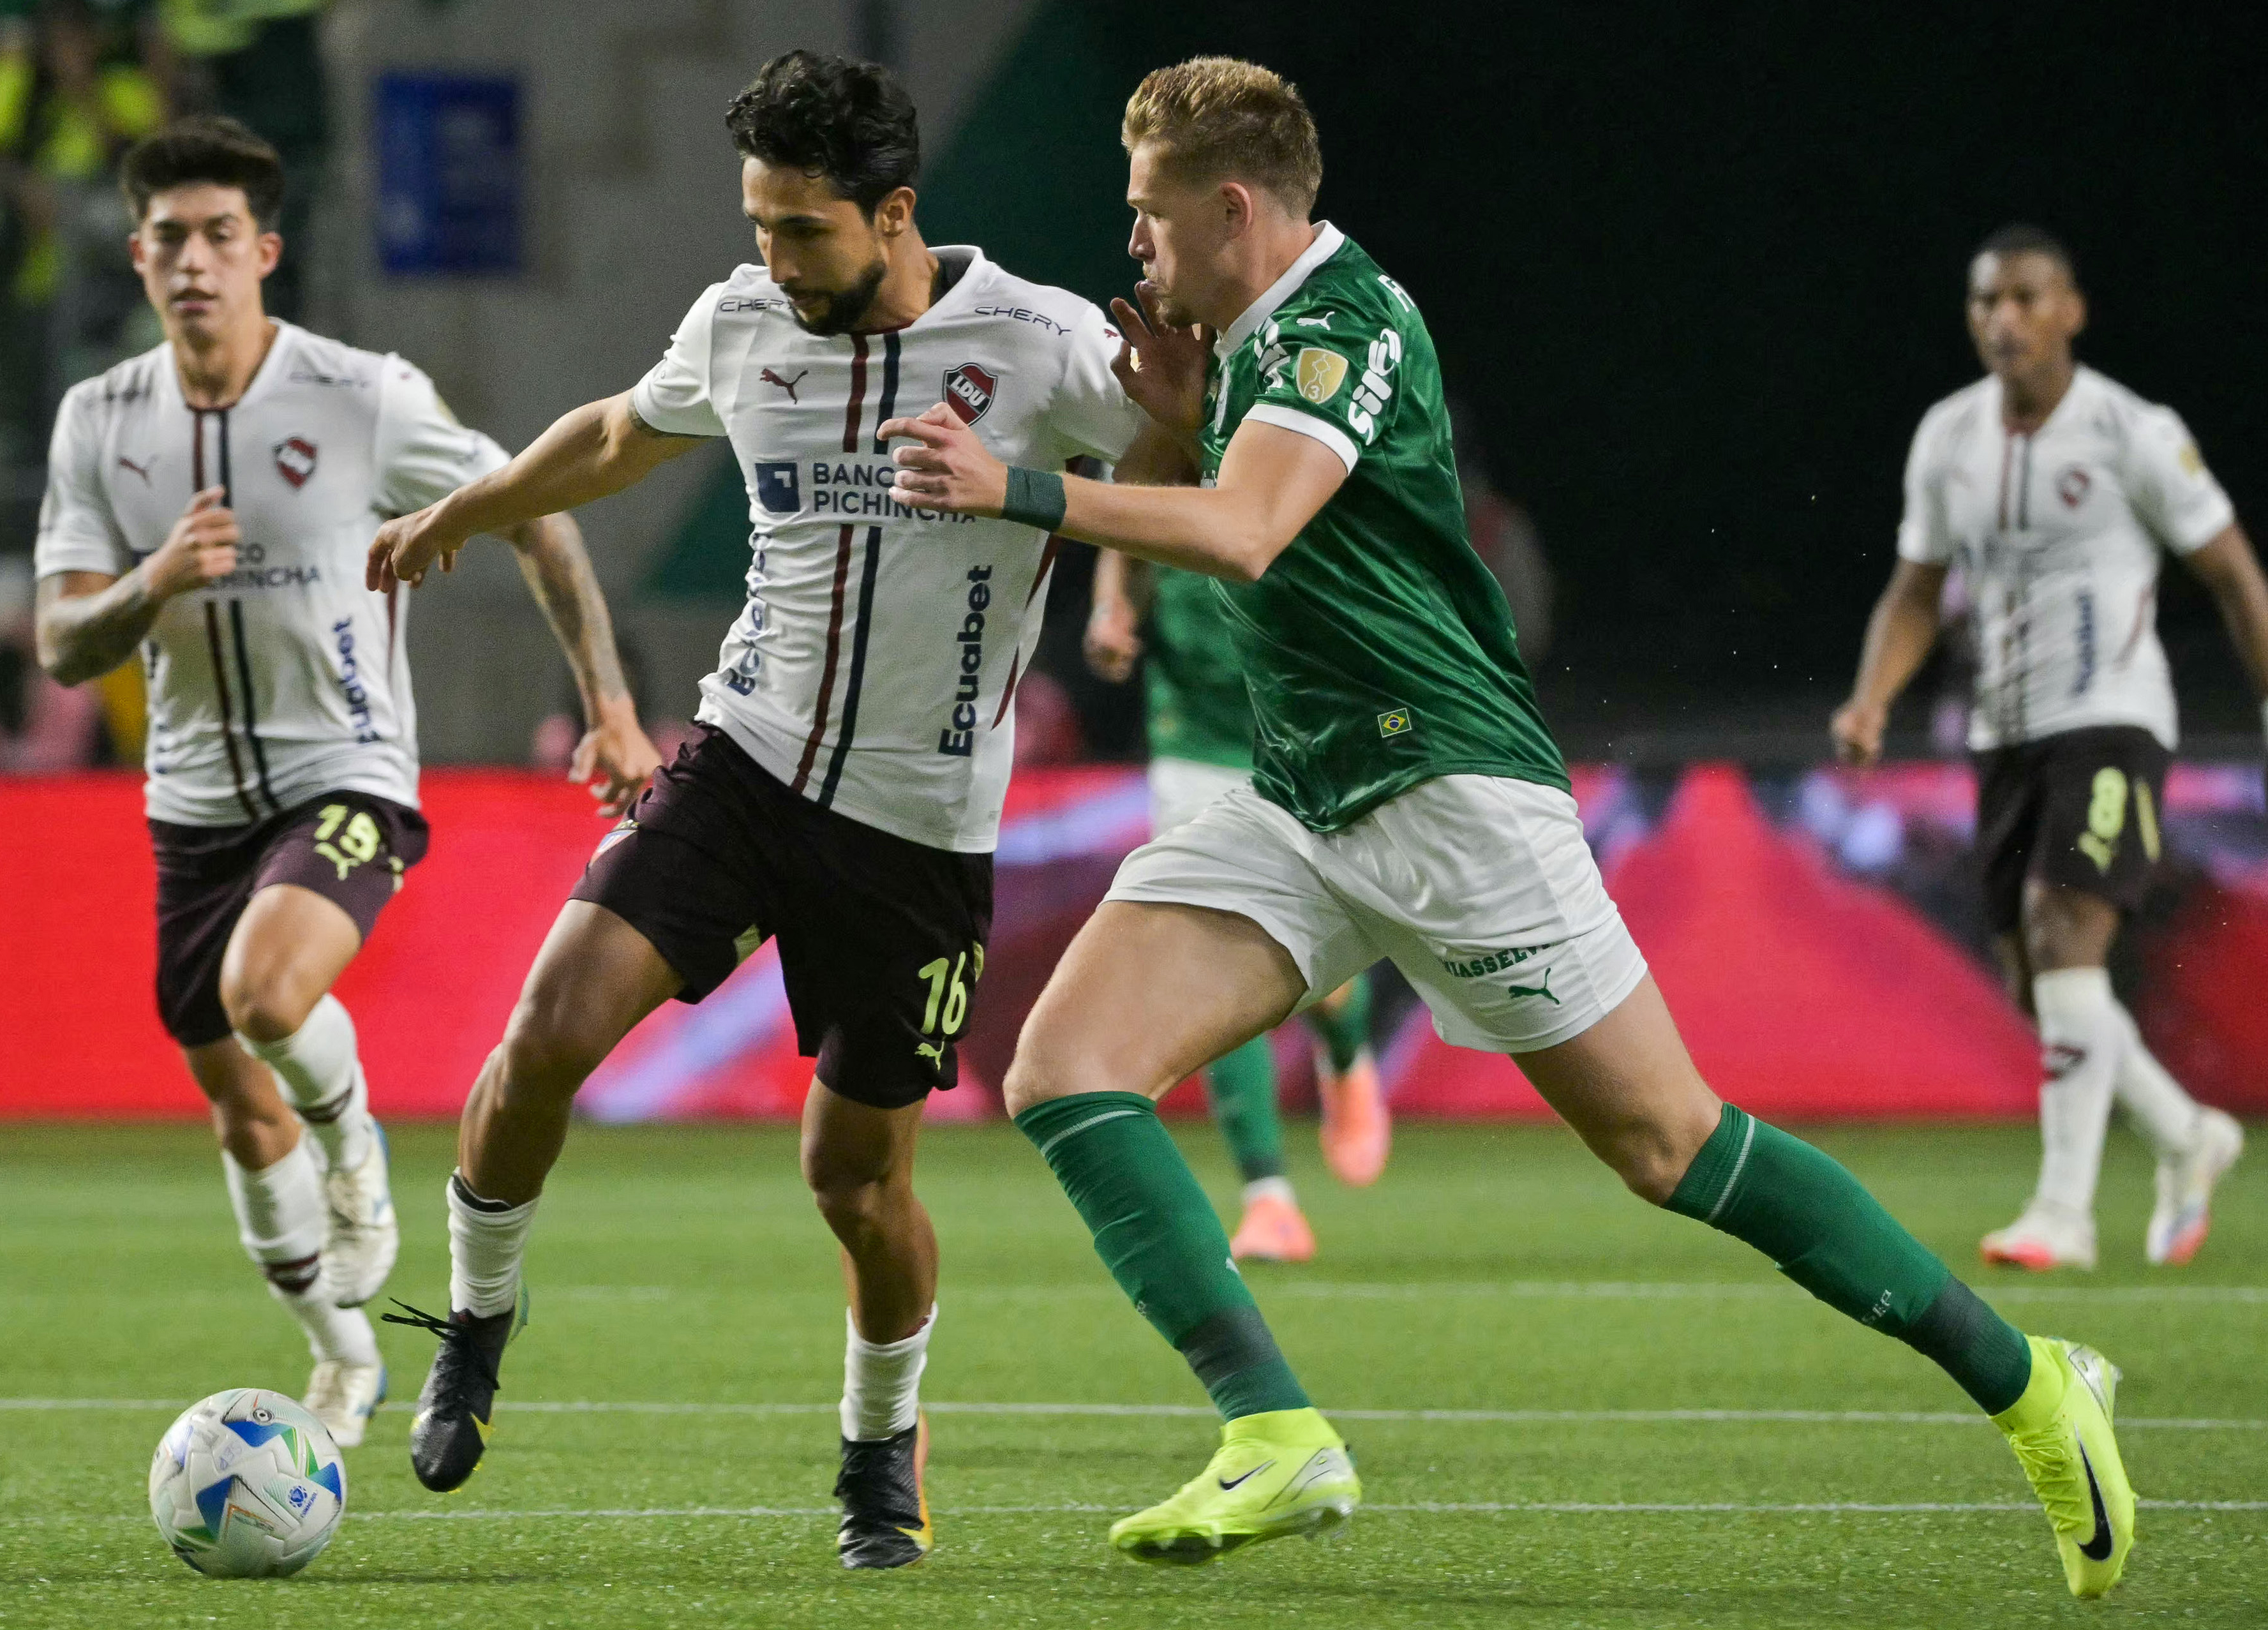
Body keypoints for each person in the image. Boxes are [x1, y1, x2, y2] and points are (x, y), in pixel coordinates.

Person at [881, 57, 2139, 1600]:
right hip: (1302, 792)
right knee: (1069, 1066)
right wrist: (1177, 419)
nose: (1128, 244)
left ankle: (2027, 1379)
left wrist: (1014, 488)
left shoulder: (1342, 324)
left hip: (1447, 793)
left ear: (1230, 206)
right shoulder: (1246, 339)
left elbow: (1249, 529)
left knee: (1671, 1146)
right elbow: (1234, 506)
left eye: (1147, 215)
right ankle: (1274, 1428)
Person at [365, 50, 1142, 1570]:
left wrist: (1135, 483)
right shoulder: (742, 322)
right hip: (744, 758)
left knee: (854, 1181)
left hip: (920, 829)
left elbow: (1179, 454)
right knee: (540, 1040)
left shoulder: (1042, 348)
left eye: (802, 230)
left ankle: (876, 1447)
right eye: (757, 224)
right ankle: (474, 1321)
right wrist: (468, 507)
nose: (772, 261)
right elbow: (616, 431)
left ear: (894, 209)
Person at [30, 116, 651, 1447]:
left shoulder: (361, 394)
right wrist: (150, 582)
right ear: (139, 259)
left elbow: (530, 507)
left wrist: (604, 700)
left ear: (263, 250)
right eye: (167, 240)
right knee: (239, 1104)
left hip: (347, 769)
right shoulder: (101, 420)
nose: (192, 261)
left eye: (216, 236)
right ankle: (338, 1348)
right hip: (189, 801)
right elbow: (61, 643)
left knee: (267, 995)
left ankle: (357, 1145)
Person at [1834, 226, 2260, 1272]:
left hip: (2113, 716)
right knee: (2037, 981)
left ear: (2071, 309)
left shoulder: (2133, 432)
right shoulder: (1947, 437)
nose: (2004, 320)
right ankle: (2185, 1132)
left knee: (2065, 930)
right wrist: (1870, 699)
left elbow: (2236, 577)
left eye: (2026, 298)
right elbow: (1917, 591)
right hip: (2004, 736)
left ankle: (2062, 1212)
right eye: (1986, 302)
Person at [1086, 549, 1385, 1262]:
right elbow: (1124, 528)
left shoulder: (1310, 441)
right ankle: (1269, 1199)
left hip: (1306, 733)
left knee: (1324, 972)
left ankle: (1345, 1048)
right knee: (1216, 966)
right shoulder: (1162, 440)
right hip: (1192, 736)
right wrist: (1113, 611)